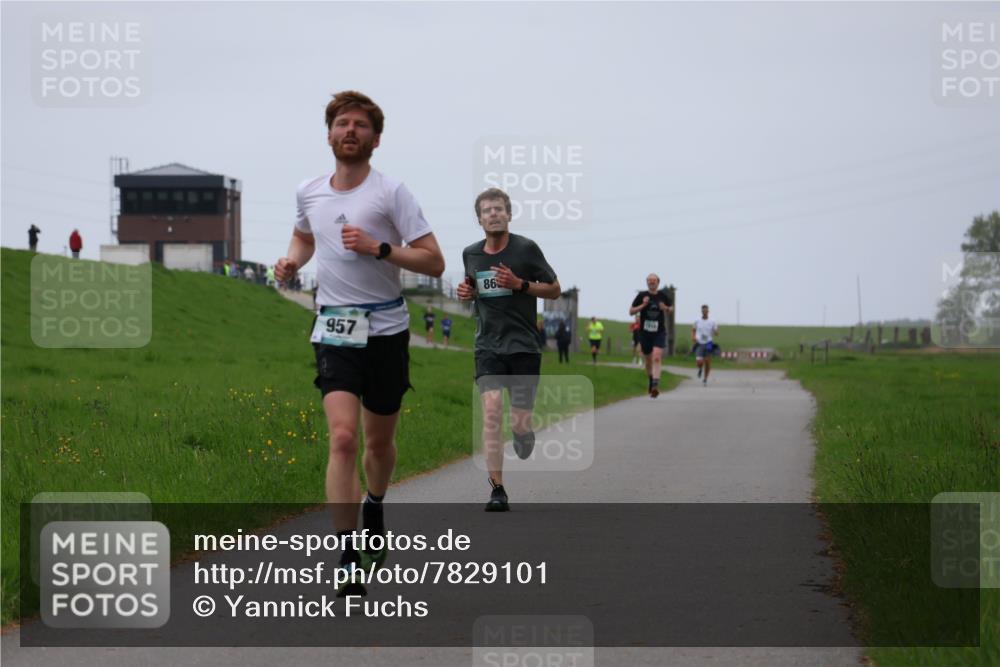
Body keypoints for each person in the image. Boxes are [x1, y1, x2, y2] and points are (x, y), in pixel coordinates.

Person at [274, 90, 444, 595]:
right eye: (342, 123)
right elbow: (305, 236)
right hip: (334, 328)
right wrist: (291, 262)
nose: (350, 131)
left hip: (387, 331)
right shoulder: (309, 191)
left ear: (375, 139)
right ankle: (347, 552)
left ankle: (374, 501)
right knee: (343, 437)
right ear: (328, 134)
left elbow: (433, 261)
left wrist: (380, 249)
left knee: (379, 442)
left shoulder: (391, 194)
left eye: (361, 126)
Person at [457, 187, 560, 512]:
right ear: (479, 218)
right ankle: (497, 489)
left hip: (524, 347)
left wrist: (521, 285)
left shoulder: (526, 249)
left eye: (499, 209)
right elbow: (473, 287)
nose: (494, 214)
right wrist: (467, 292)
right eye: (487, 210)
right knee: (490, 413)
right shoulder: (470, 253)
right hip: (488, 345)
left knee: (518, 420)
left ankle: (523, 432)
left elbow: (555, 290)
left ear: (509, 214)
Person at [629, 273, 673, 397]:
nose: (651, 282)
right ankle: (651, 380)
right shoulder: (642, 295)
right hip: (645, 333)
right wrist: (643, 305)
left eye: (653, 280)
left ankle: (655, 386)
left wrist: (665, 308)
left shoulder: (663, 296)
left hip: (659, 332)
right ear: (647, 282)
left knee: (657, 357)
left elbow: (671, 309)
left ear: (658, 282)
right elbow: (631, 312)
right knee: (648, 361)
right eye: (649, 280)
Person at [693, 304, 720, 386]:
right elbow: (693, 330)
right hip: (699, 343)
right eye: (703, 311)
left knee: (708, 362)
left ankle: (705, 379)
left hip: (709, 343)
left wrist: (716, 332)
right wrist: (693, 337)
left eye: (706, 311)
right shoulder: (697, 321)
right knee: (699, 362)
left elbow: (717, 332)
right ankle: (700, 368)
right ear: (702, 311)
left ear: (708, 311)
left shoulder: (712, 321)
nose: (705, 312)